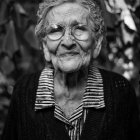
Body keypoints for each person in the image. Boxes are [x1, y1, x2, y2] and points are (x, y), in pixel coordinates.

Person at [1, 0, 140, 140]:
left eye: (79, 28)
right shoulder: (24, 91)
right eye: (55, 30)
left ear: (96, 43)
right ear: (45, 47)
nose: (68, 42)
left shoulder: (120, 91)